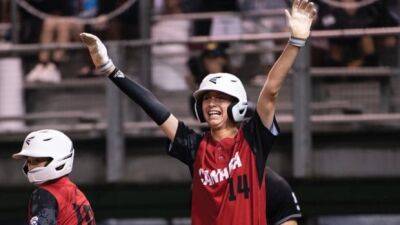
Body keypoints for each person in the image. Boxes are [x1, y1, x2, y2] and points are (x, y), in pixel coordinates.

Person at [80, 0, 316, 224]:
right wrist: (111, 69)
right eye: (207, 99)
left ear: (239, 105)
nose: (211, 103)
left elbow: (271, 90)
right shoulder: (195, 147)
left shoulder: (252, 141)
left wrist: (295, 42)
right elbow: (154, 108)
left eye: (221, 99)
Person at [12, 129, 96, 225]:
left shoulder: (45, 194)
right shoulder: (76, 193)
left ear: (58, 159)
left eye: (37, 160)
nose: (30, 166)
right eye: (29, 161)